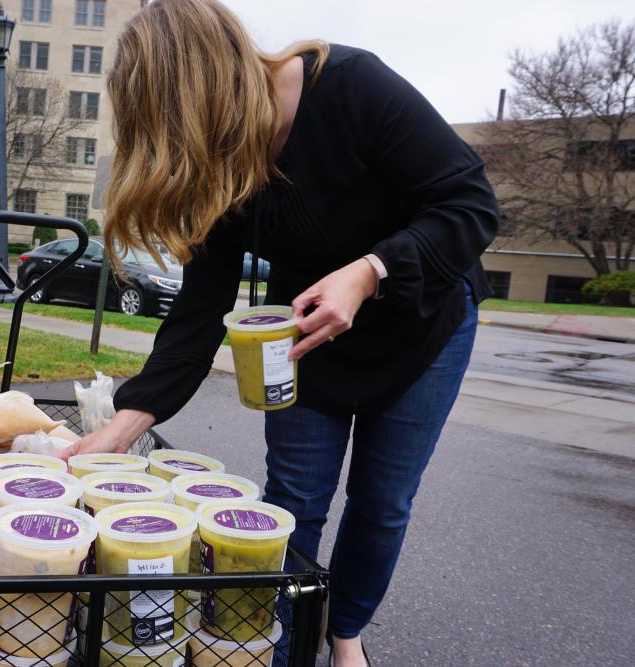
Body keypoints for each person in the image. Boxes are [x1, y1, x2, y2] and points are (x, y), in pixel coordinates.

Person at [60, 1, 499, 665]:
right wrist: (122, 427)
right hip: (302, 335)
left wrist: (372, 270)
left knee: (382, 502)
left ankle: (344, 629)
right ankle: (286, 644)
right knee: (292, 501)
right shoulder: (223, 163)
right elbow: (198, 312)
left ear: (208, 90)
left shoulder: (352, 86)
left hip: (423, 320)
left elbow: (471, 203)